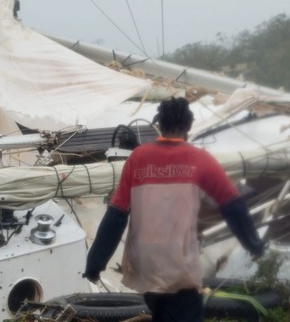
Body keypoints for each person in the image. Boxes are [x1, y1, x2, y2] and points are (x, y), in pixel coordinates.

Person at [83, 97, 265, 322]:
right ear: (189, 126)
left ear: (159, 124)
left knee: (162, 313)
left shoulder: (138, 157)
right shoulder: (199, 159)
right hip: (178, 265)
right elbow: (232, 206)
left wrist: (95, 264)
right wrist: (253, 244)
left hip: (145, 264)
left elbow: (116, 214)